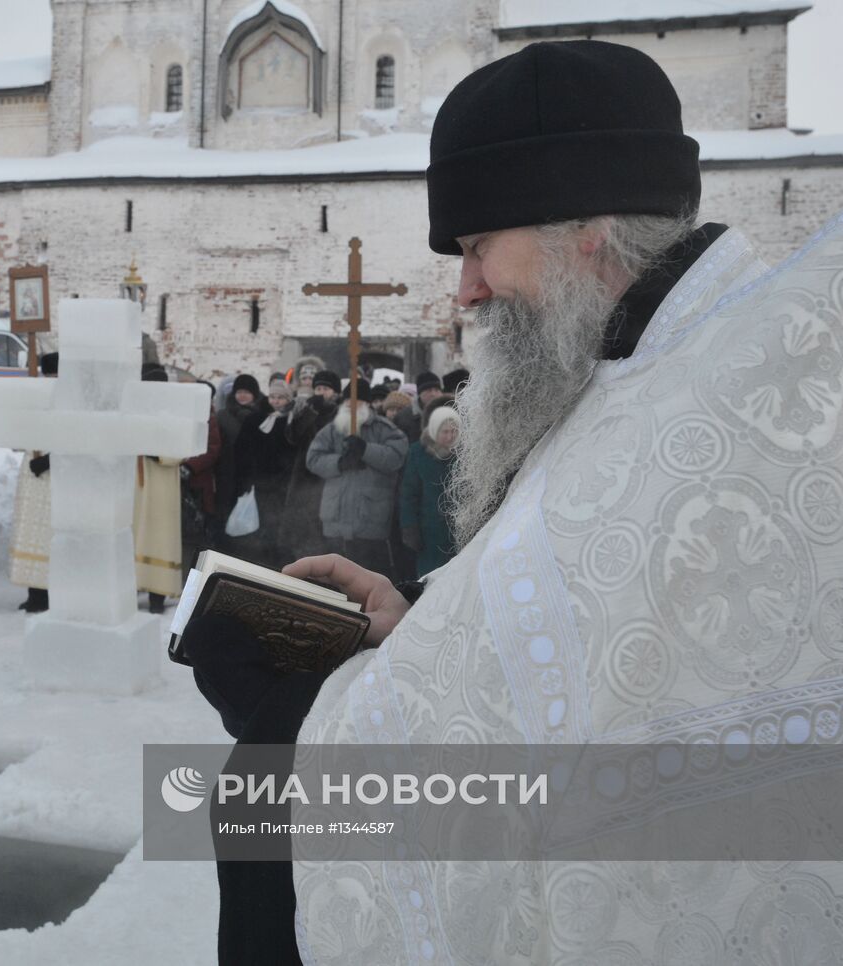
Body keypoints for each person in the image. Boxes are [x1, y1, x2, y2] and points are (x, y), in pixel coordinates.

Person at [188, 39, 843, 964]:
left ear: (582, 228)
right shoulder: (644, 373)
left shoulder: (698, 410)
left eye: (476, 246)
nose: (465, 291)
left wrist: (287, 722)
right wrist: (423, 616)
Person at [303, 379, 408, 577]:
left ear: (367, 403)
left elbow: (396, 457)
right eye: (347, 402)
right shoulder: (331, 430)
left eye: (356, 402)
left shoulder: (384, 429)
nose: (351, 406)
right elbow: (313, 459)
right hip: (335, 519)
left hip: (370, 520)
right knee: (334, 578)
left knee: (367, 577)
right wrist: (340, 463)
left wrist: (366, 450)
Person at [8, 352, 57, 612]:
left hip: (58, 479)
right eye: (47, 375)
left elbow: (76, 437)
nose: (50, 380)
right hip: (31, 476)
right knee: (30, 536)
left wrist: (51, 460)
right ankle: (35, 593)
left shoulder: (70, 401)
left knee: (51, 538)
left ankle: (51, 595)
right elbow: (19, 432)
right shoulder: (35, 400)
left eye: (54, 376)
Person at [133, 366, 183, 614]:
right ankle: (132, 587)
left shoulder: (174, 413)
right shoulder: (133, 411)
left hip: (162, 482)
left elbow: (183, 446)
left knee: (160, 536)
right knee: (134, 535)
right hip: (135, 483)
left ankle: (157, 595)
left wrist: (157, 451)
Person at [233, 375, 297, 568]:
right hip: (260, 482)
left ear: (288, 399)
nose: (276, 401)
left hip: (283, 483)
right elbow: (243, 450)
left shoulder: (292, 421)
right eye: (273, 397)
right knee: (262, 527)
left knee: (279, 527)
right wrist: (247, 478)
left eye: (281, 397)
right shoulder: (256, 419)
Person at [277, 369, 340, 562]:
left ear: (335, 392)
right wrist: (308, 412)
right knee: (302, 531)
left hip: (328, 480)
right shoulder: (307, 410)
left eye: (326, 389)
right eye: (318, 388)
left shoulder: (341, 413)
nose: (321, 393)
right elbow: (292, 436)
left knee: (325, 538)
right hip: (303, 480)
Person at [398, 400, 460, 577]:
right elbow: (409, 494)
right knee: (431, 578)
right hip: (429, 531)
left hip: (459, 529)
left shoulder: (465, 454)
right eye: (445, 432)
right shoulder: (418, 453)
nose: (450, 437)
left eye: (454, 431)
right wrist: (409, 527)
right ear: (434, 431)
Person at [215, 373, 266, 533]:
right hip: (228, 473)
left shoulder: (264, 416)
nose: (242, 396)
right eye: (239, 392)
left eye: (247, 392)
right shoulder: (223, 416)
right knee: (227, 517)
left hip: (255, 474)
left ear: (254, 394)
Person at [181, 383, 222, 573]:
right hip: (177, 479)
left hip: (199, 483)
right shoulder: (182, 414)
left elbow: (212, 450)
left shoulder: (210, 419)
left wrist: (190, 466)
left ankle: (196, 571)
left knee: (198, 530)